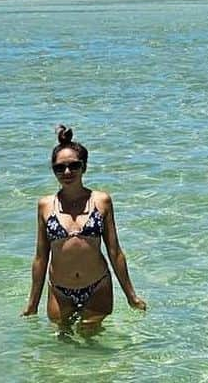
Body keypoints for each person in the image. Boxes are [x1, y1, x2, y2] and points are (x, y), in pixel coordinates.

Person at [21, 125, 147, 326]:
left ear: (84, 167)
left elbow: (115, 252)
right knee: (63, 345)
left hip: (97, 285)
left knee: (90, 341)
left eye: (74, 165)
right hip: (59, 289)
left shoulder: (101, 201)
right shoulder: (45, 205)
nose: (67, 172)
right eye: (60, 168)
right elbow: (41, 256)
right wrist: (32, 304)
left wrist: (131, 296)